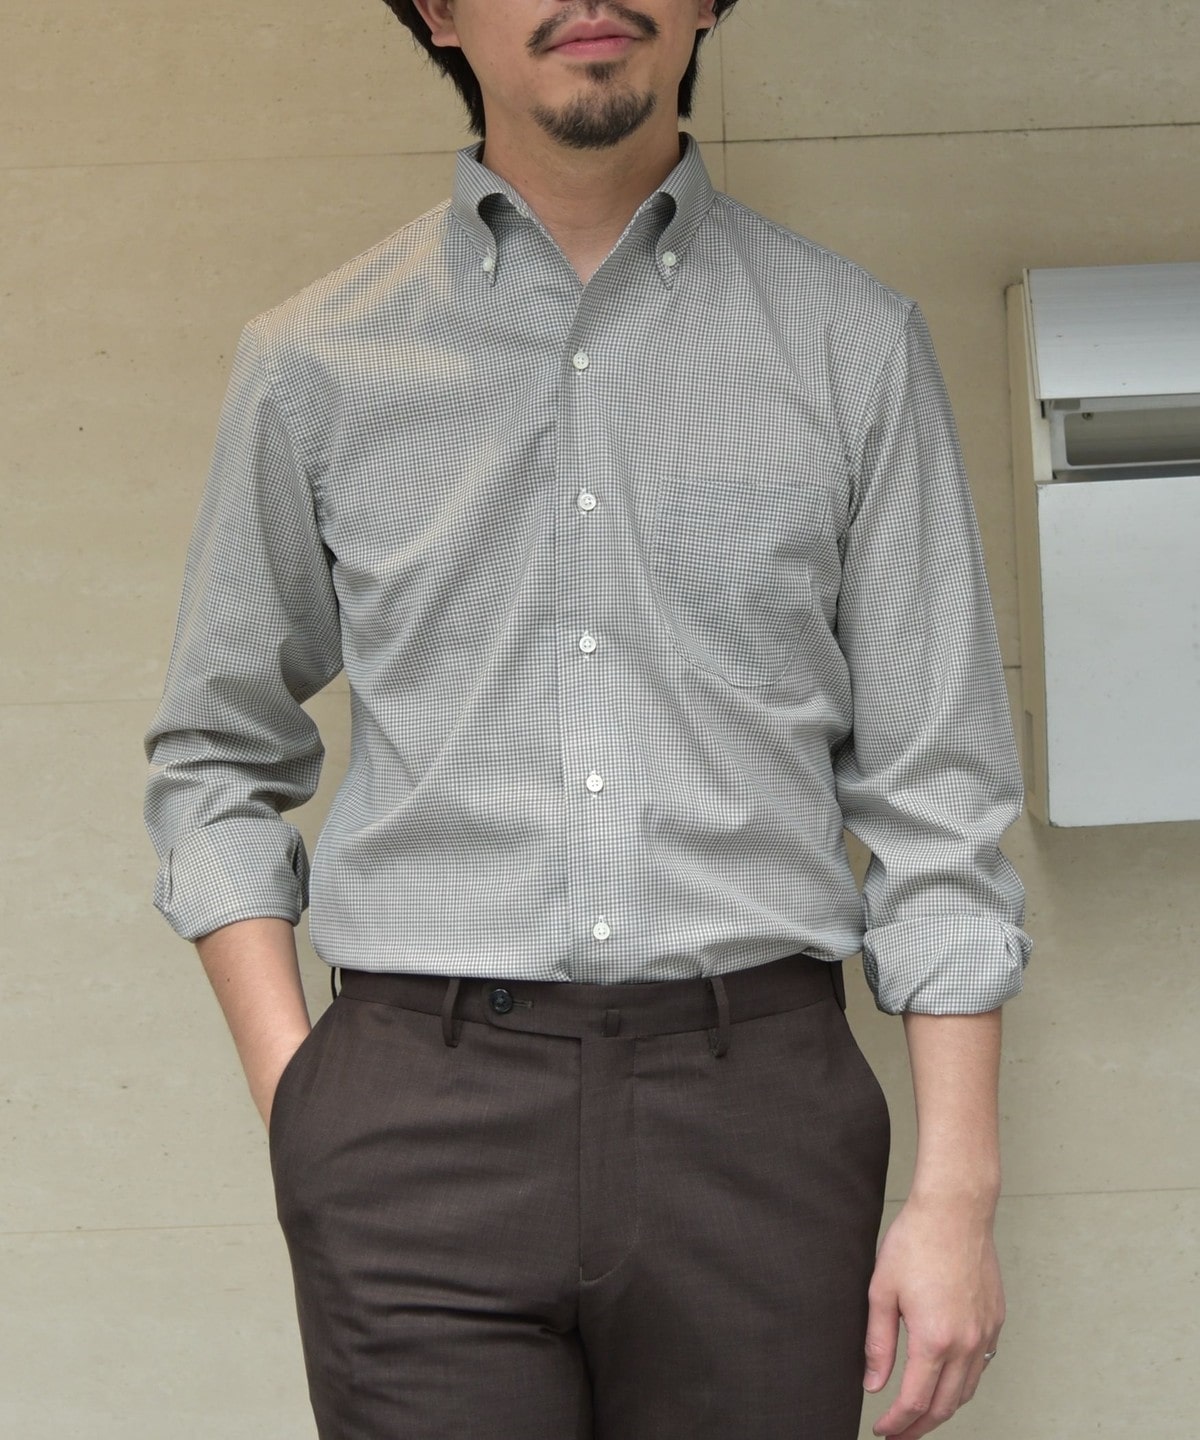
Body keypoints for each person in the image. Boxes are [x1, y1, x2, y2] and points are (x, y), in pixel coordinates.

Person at [143, 2, 1032, 1436]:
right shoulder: (314, 361)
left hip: (760, 1119)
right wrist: (300, 1096)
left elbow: (940, 795)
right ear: (439, 9)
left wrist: (958, 1193)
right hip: (414, 1119)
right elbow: (215, 755)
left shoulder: (852, 345)